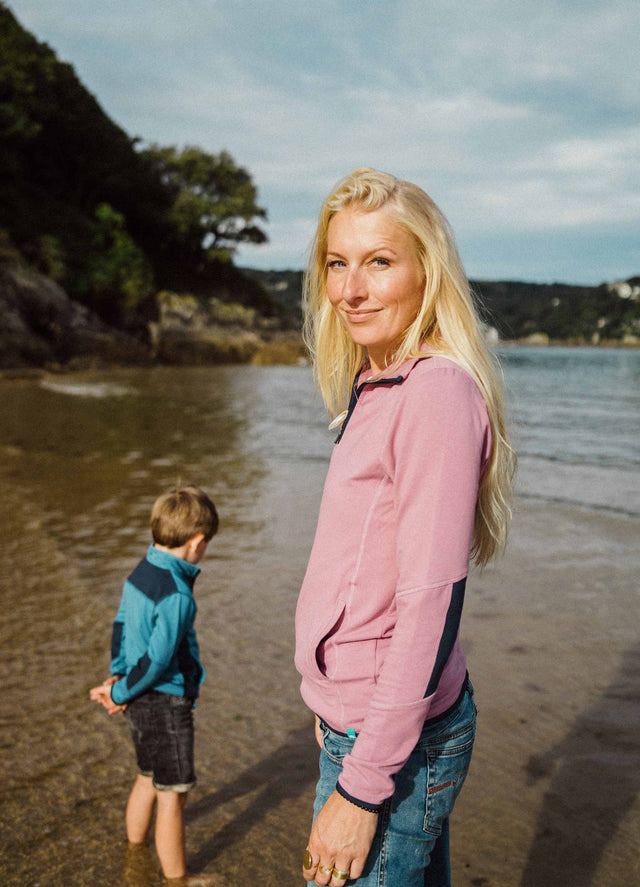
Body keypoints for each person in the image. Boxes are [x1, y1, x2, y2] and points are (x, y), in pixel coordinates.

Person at [295, 168, 515, 887]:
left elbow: (431, 604)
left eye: (379, 262)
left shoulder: (435, 393)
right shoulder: (375, 381)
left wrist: (362, 786)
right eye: (338, 262)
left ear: (428, 272)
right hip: (365, 725)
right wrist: (327, 699)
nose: (350, 289)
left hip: (391, 744)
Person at [90, 486, 221, 886]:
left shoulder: (141, 571)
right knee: (172, 794)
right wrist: (119, 691)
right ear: (197, 542)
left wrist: (117, 675)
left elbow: (120, 625)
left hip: (138, 696)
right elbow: (159, 662)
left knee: (147, 775)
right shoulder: (178, 594)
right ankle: (178, 878)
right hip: (164, 702)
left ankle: (134, 847)